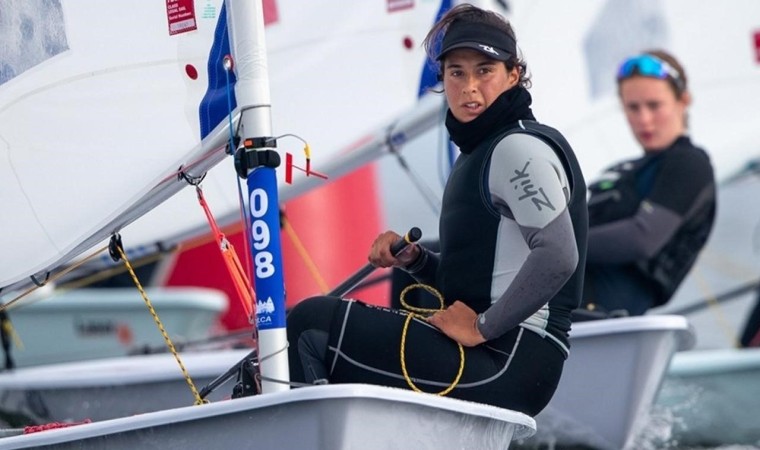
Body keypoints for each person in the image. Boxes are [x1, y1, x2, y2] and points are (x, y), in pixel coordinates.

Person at [286, 3, 587, 417]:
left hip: (509, 359)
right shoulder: (481, 150)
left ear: (513, 75)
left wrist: (481, 327)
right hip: (501, 354)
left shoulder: (516, 149)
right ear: (442, 79)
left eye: (485, 70)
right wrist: (416, 261)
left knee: (310, 324)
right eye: (456, 73)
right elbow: (480, 279)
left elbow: (559, 254)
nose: (469, 87)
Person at [580, 50, 716, 317]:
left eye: (654, 106)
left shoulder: (690, 163)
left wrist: (553, 244)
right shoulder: (622, 170)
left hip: (602, 315)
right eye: (633, 107)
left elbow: (642, 238)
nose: (644, 119)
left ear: (683, 101)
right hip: (564, 300)